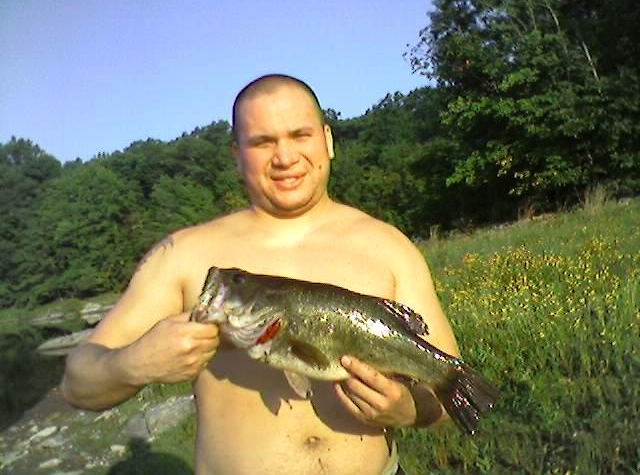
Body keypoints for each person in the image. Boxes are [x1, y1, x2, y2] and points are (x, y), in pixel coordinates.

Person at [62, 74, 460, 475]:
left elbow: (450, 391)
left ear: (328, 140)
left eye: (299, 135)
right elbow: (78, 383)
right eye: (262, 142)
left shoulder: (389, 246)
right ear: (237, 154)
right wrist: (133, 364)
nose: (285, 157)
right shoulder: (184, 255)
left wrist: (409, 409)